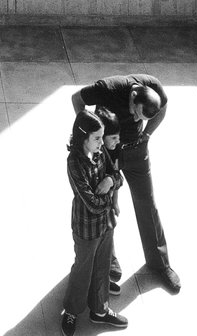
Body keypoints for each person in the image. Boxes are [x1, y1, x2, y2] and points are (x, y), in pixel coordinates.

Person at [72, 73, 180, 292]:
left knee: (147, 203)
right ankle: (108, 259)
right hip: (108, 151)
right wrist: (93, 134)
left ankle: (161, 264)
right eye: (135, 112)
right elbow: (77, 98)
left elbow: (164, 107)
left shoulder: (153, 86)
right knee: (106, 205)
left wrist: (147, 134)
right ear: (132, 96)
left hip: (136, 149)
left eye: (142, 117)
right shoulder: (109, 88)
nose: (136, 118)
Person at [61, 111, 127, 335]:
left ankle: (100, 310)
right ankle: (71, 310)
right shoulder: (74, 163)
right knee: (82, 271)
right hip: (86, 229)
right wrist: (110, 194)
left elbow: (118, 176)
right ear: (83, 138)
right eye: (97, 138)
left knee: (102, 268)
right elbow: (90, 203)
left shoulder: (100, 154)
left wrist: (110, 180)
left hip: (105, 225)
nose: (102, 142)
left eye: (102, 137)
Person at [94, 106, 124, 296]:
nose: (118, 141)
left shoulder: (114, 150)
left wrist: (115, 202)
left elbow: (117, 177)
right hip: (94, 208)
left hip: (107, 206)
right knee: (94, 245)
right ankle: (96, 277)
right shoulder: (93, 155)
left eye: (118, 137)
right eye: (113, 138)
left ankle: (104, 274)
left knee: (108, 234)